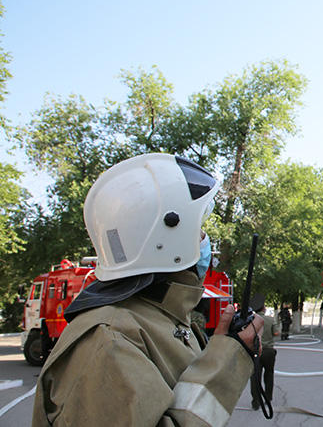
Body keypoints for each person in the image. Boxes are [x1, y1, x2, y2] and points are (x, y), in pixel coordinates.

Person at [32, 153, 265, 427]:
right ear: (166, 240)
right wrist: (227, 361)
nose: (204, 240)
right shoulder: (109, 342)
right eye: (198, 229)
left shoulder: (160, 317)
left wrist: (226, 347)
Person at [249, 293, 280, 410]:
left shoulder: (251, 321)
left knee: (254, 377)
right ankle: (268, 398)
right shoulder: (270, 320)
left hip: (255, 351)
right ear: (264, 308)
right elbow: (276, 333)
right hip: (268, 351)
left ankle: (256, 402)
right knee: (269, 374)